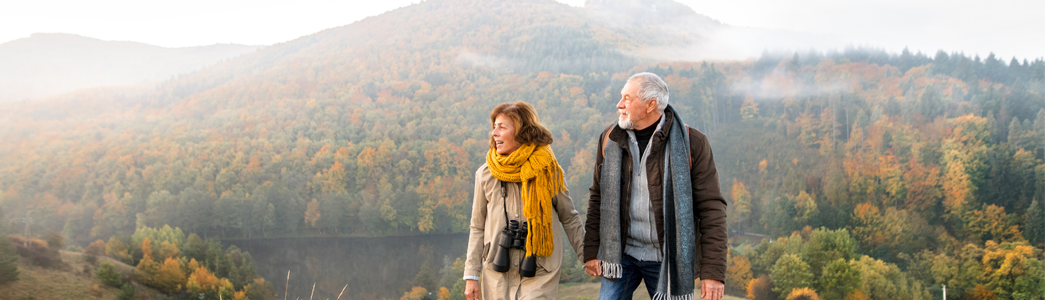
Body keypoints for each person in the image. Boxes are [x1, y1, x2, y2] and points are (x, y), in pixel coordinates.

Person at [583, 72, 727, 300]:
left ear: (651, 105)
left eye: (627, 98)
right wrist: (592, 251)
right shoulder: (610, 139)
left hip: (667, 258)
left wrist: (713, 272)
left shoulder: (692, 144)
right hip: (622, 254)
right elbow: (598, 197)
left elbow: (712, 209)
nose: (619, 104)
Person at [464, 101, 585, 300]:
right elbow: (477, 226)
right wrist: (471, 275)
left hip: (539, 270)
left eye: (502, 127)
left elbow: (569, 217)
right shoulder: (485, 174)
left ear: (522, 132)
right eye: (494, 127)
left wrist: (587, 257)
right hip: (496, 271)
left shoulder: (547, 170)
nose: (494, 133)